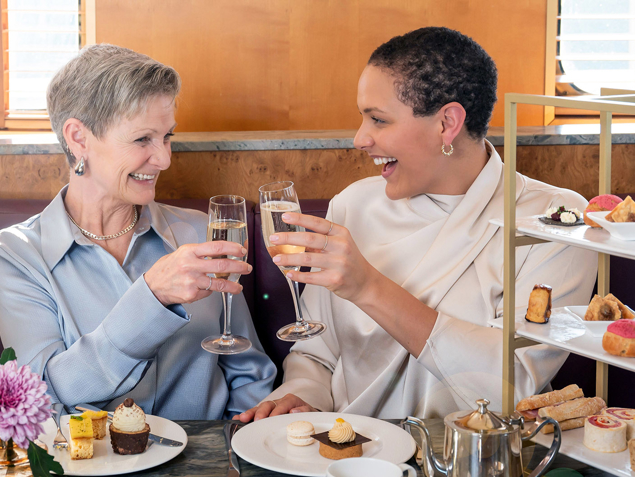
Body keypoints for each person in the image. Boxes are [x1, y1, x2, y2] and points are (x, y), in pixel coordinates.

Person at [236, 27, 596, 422]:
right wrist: (303, 394)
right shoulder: (352, 206)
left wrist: (369, 287)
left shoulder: (554, 223)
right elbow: (317, 353)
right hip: (351, 451)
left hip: (474, 459)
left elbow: (510, 387)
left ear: (447, 123)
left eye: (378, 120)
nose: (360, 139)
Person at [0, 44, 276, 419]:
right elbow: (44, 398)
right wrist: (151, 297)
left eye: (167, 136)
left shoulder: (198, 231)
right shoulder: (18, 255)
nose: (164, 159)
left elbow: (248, 372)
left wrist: (234, 457)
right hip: (93, 469)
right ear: (79, 139)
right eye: (143, 139)